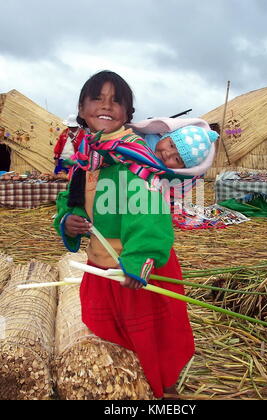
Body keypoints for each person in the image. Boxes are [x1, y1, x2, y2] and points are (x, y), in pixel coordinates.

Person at [54, 70, 195, 399]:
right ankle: (133, 386)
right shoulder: (86, 155)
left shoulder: (132, 155)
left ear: (128, 114)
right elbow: (71, 199)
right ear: (81, 107)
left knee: (151, 332)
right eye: (97, 98)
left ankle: (165, 391)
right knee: (114, 330)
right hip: (103, 265)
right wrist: (69, 219)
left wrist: (140, 257)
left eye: (116, 101)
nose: (106, 105)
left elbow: (148, 208)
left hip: (136, 261)